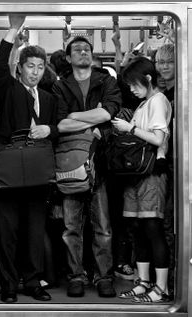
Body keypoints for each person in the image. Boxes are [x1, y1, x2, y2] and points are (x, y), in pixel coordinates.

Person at [0, 14, 58, 303]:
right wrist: (13, 30)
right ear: (20, 68)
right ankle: (8, 286)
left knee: (34, 230)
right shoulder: (9, 89)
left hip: (37, 171)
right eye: (30, 66)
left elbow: (58, 129)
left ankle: (32, 282)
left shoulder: (50, 98)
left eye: (40, 67)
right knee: (7, 232)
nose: (35, 72)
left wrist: (50, 129)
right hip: (9, 167)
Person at [53, 36, 122, 298]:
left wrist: (75, 117)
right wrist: (90, 120)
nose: (83, 52)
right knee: (71, 228)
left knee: (103, 227)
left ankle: (104, 277)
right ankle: (76, 276)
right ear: (68, 58)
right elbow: (59, 122)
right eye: (77, 49)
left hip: (100, 161)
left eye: (87, 49)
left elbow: (109, 113)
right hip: (70, 162)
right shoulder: (59, 87)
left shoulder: (107, 81)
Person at [112, 56, 172, 303]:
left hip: (151, 173)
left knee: (152, 229)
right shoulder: (144, 103)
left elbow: (158, 139)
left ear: (147, 79)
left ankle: (161, 288)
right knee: (138, 230)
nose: (132, 89)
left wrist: (130, 129)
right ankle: (144, 281)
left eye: (135, 84)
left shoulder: (157, 100)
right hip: (136, 174)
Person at [155, 43, 175, 296]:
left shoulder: (181, 90)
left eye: (169, 61)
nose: (164, 66)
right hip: (166, 162)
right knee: (166, 224)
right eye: (160, 61)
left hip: (178, 161)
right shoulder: (161, 94)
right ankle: (169, 283)